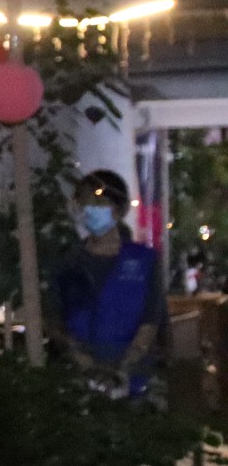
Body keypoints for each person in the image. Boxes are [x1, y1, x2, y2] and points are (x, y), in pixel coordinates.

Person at [52, 170, 165, 398]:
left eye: (99, 204)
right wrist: (87, 365)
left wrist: (123, 369)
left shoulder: (144, 261)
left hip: (135, 382)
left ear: (119, 210)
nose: (89, 210)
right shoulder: (69, 262)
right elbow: (56, 320)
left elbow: (151, 319)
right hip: (79, 383)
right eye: (85, 203)